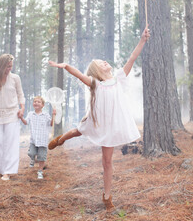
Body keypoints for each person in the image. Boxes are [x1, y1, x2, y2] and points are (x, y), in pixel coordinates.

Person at [48, 27, 150, 212]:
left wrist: (142, 40)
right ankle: (60, 139)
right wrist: (66, 66)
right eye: (100, 63)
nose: (105, 62)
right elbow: (79, 74)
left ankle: (106, 196)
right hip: (96, 121)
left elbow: (132, 59)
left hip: (109, 127)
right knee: (77, 131)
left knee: (107, 162)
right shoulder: (95, 83)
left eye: (104, 61)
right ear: (97, 71)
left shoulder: (119, 78)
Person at [0, 54, 25, 181]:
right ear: (1, 65)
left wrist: (22, 109)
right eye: (7, 66)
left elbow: (21, 95)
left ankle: (8, 171)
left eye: (11, 67)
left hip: (12, 113)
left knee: (10, 143)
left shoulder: (15, 78)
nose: (9, 69)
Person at [20, 96, 56, 180]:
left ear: (42, 105)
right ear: (33, 104)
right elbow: (25, 122)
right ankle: (32, 159)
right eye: (35, 101)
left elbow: (51, 124)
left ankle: (40, 171)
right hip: (33, 140)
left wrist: (53, 115)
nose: (36, 103)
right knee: (31, 153)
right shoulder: (30, 114)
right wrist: (21, 117)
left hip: (43, 140)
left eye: (38, 102)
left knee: (42, 156)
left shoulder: (46, 115)